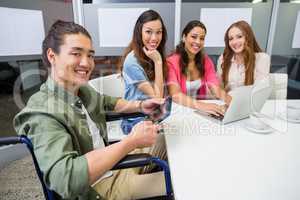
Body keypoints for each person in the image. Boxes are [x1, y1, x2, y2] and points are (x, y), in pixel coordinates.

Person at [14, 20, 167, 200]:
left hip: (112, 163)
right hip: (99, 188)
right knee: (182, 180)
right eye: (76, 53)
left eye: (90, 55)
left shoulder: (80, 89)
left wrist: (141, 105)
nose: (86, 63)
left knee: (167, 139)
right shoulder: (42, 112)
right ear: (52, 56)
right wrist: (130, 142)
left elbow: (106, 102)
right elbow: (66, 180)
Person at [167, 20, 231, 116]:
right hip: (177, 110)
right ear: (184, 37)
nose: (198, 41)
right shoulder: (171, 62)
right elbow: (175, 95)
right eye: (194, 37)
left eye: (202, 38)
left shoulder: (206, 60)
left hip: (196, 110)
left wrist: (231, 102)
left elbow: (214, 87)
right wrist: (203, 106)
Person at [121, 9, 168, 134]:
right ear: (139, 32)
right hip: (135, 121)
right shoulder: (132, 61)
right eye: (148, 32)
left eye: (159, 32)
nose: (154, 38)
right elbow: (157, 98)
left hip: (152, 116)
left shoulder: (152, 54)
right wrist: (158, 62)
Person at [217, 20, 270, 91]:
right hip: (229, 101)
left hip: (250, 101)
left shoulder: (262, 58)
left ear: (248, 38)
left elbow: (259, 90)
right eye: (231, 39)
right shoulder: (223, 58)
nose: (235, 42)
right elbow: (219, 88)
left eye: (239, 37)